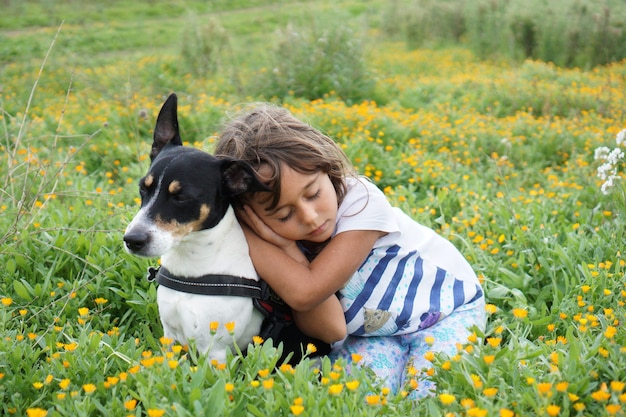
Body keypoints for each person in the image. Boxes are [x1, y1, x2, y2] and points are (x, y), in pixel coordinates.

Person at [215, 103, 486, 398]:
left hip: (447, 312)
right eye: (283, 215)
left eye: (314, 194)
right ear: (252, 217)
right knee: (358, 396)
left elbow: (307, 290)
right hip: (373, 334)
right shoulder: (278, 237)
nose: (310, 217)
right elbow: (331, 330)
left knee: (432, 394)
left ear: (327, 168)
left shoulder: (362, 202)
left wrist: (267, 240)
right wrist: (286, 247)